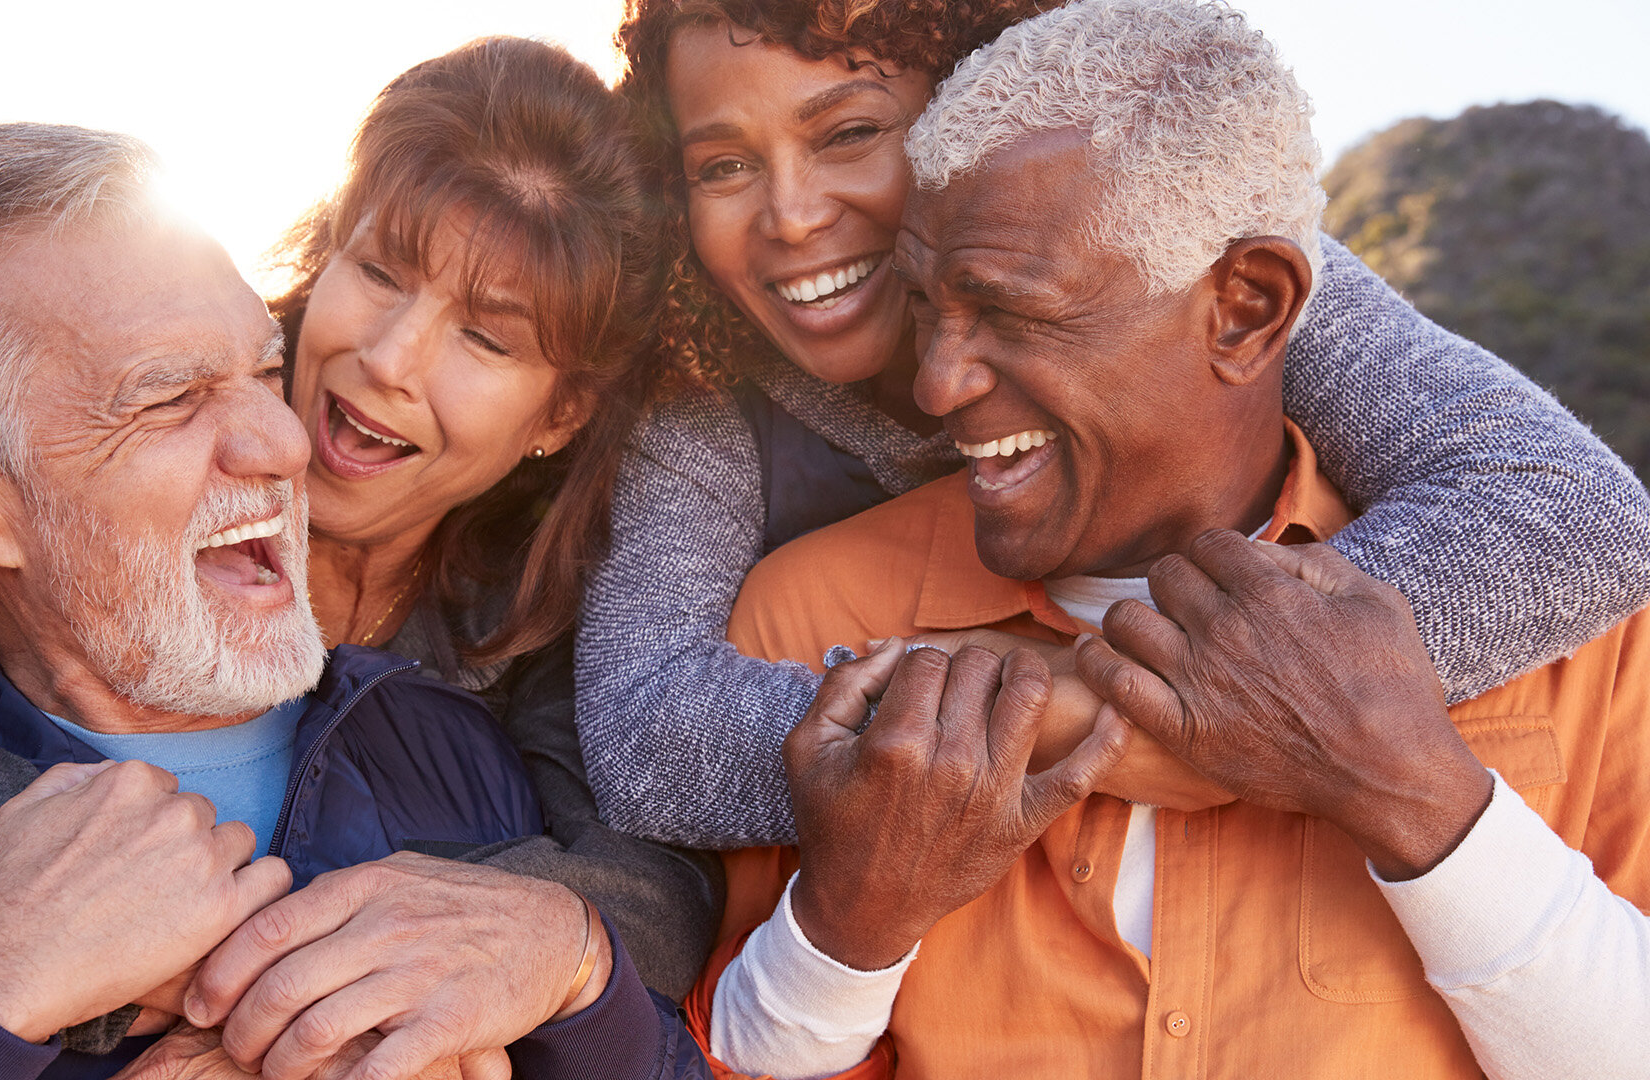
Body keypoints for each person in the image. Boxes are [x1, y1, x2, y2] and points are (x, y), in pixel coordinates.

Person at [0, 38, 718, 1077]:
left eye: (489, 339)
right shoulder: (33, 472)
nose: (387, 359)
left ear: (559, 414)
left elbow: (652, 895)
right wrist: (116, 954)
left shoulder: (541, 618)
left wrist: (537, 953)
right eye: (378, 270)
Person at [694, 3, 1650, 1076]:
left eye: (1012, 312)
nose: (935, 381)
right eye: (926, 308)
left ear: (1245, 308)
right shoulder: (807, 617)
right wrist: (845, 932)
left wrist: (1413, 793)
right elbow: (717, 1060)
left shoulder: (1573, 621)